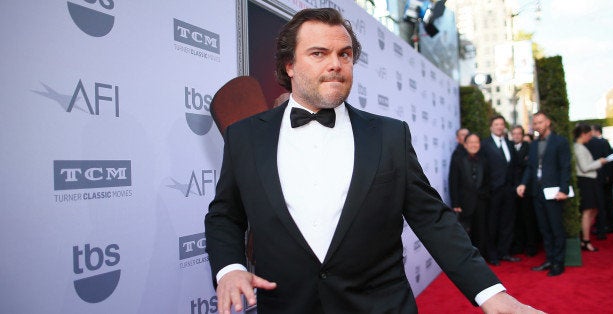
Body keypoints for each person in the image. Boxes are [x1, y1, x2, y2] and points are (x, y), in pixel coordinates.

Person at [204, 8, 542, 314]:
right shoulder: (245, 137)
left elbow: (433, 220)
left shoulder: (389, 136)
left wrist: (491, 294)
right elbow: (225, 215)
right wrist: (230, 269)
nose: (336, 63)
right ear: (289, 65)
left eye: (345, 54)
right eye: (319, 53)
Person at [517, 112, 571, 276]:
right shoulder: (533, 145)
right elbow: (530, 168)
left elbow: (565, 167)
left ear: (548, 122)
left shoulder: (560, 141)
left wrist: (564, 189)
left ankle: (558, 263)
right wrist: (523, 183)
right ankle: (550, 259)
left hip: (554, 192)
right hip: (537, 192)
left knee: (556, 228)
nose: (538, 126)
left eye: (540, 122)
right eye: (535, 123)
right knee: (544, 228)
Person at [481, 116, 520, 265]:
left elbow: (515, 167)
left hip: (509, 191)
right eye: (496, 124)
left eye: (501, 124)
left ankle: (505, 252)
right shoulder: (485, 144)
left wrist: (515, 185)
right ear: (491, 127)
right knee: (492, 224)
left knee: (507, 223)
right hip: (492, 192)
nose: (499, 127)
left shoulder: (509, 144)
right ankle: (493, 255)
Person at [449, 133, 490, 258]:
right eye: (471, 142)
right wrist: (455, 203)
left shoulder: (484, 159)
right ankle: (466, 261)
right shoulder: (457, 159)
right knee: (465, 234)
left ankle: (480, 259)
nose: (474, 145)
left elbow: (488, 181)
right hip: (464, 203)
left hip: (481, 203)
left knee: (481, 232)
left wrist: (486, 196)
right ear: (465, 144)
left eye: (476, 142)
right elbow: (453, 181)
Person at [573, 124, 608, 251]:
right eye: (589, 135)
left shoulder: (580, 147)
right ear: (583, 134)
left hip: (588, 181)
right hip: (585, 182)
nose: (590, 138)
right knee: (587, 211)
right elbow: (585, 167)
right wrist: (600, 162)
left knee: (592, 210)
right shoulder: (578, 148)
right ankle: (585, 240)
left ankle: (585, 238)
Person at [511, 125, 538, 257]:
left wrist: (523, 184)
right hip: (512, 190)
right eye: (514, 133)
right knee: (516, 219)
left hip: (526, 189)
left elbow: (530, 167)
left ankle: (531, 245)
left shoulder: (529, 147)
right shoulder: (509, 147)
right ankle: (518, 245)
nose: (516, 136)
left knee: (528, 218)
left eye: (518, 134)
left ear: (522, 135)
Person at [584, 124, 613, 236]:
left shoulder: (584, 144)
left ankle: (600, 227)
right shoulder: (602, 142)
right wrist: (608, 175)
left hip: (591, 178)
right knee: (604, 203)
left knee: (596, 205)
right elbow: (610, 159)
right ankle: (606, 227)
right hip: (602, 177)